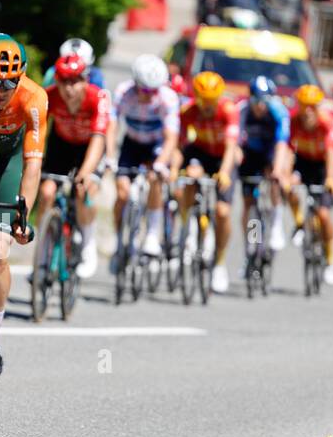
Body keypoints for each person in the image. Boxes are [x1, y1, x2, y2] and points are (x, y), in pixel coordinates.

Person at [0, 33, 44, 380]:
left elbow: (32, 163)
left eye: (10, 81)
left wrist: (22, 212)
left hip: (7, 167)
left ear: (23, 74)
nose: (1, 90)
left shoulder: (33, 98)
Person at [39, 53, 110, 278]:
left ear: (85, 81)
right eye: (64, 81)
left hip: (89, 147)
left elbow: (99, 139)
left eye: (75, 81)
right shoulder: (49, 97)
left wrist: (86, 173)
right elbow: (38, 132)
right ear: (56, 81)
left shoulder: (97, 98)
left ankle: (88, 242)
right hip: (61, 145)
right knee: (47, 190)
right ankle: (41, 254)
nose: (69, 88)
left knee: (83, 189)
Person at [110, 54, 181, 260]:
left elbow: (171, 137)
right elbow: (112, 125)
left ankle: (152, 233)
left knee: (154, 179)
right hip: (132, 143)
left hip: (156, 145)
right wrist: (110, 155)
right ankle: (119, 241)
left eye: (154, 90)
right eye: (145, 90)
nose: (150, 94)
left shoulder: (168, 98)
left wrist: (160, 164)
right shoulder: (124, 92)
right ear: (136, 83)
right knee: (122, 193)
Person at [177, 71, 240, 294]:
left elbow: (232, 147)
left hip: (223, 157)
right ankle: (187, 227)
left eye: (211, 101)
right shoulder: (188, 111)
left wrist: (224, 172)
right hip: (201, 152)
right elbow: (180, 144)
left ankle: (220, 262)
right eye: (203, 101)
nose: (207, 106)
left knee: (222, 212)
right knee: (190, 178)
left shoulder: (228, 110)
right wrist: (177, 169)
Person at [287, 84, 333, 284]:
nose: (308, 111)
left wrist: (330, 178)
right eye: (304, 106)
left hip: (322, 167)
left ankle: (330, 261)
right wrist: (286, 175)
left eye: (313, 106)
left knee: (324, 215)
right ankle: (299, 224)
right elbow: (286, 149)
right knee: (290, 188)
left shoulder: (326, 123)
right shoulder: (294, 121)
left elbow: (331, 153)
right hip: (303, 161)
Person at [237, 75, 292, 255]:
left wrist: (277, 170)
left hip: (270, 152)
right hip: (251, 153)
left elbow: (282, 144)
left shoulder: (278, 112)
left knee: (276, 179)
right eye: (256, 100)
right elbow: (235, 144)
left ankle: (276, 226)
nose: (260, 105)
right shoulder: (242, 111)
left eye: (264, 101)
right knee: (249, 202)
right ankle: (251, 246)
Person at [41, 38, 106, 88]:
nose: (69, 87)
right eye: (64, 80)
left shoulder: (96, 76)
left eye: (77, 78)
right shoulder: (52, 72)